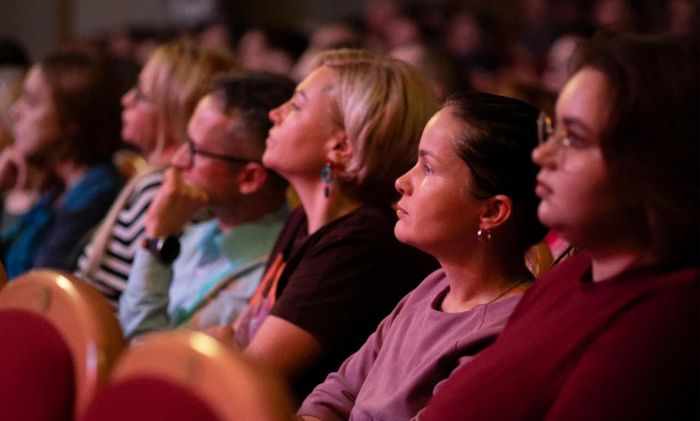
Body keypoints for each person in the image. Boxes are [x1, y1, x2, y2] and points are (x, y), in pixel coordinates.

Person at [422, 32, 699, 420]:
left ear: (651, 166)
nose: (542, 154)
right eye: (552, 133)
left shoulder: (665, 324)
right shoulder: (573, 273)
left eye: (575, 139)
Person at [208, 49, 440, 402]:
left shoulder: (360, 245)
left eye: (296, 106)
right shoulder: (305, 219)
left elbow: (243, 381)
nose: (275, 113)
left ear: (341, 147)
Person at [297, 93, 548, 420]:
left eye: (428, 168)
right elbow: (335, 394)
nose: (402, 182)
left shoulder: (507, 331)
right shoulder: (433, 287)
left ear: (492, 211)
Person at [119, 72, 295, 338]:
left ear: (249, 177)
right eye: (186, 142)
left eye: (196, 150)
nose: (178, 160)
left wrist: (156, 240)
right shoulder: (197, 233)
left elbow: (144, 350)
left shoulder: (267, 274)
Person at [76, 39, 235, 309]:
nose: (126, 100)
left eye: (141, 96)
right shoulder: (153, 179)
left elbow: (137, 301)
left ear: (173, 115)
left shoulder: (162, 189)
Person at [1, 50, 123, 278]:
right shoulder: (61, 188)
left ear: (73, 121)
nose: (15, 111)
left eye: (31, 101)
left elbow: (39, 289)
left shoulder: (95, 193)